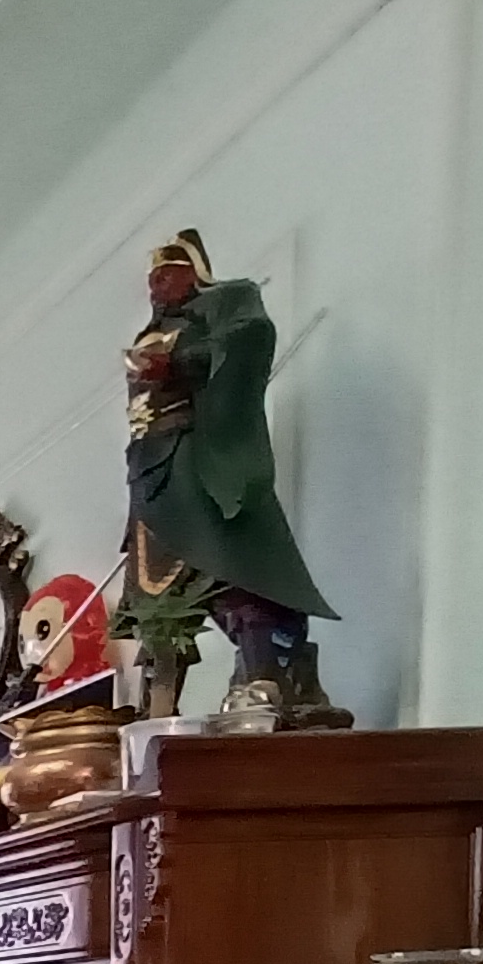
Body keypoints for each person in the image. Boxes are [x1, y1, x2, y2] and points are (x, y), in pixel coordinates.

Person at [118, 229, 349, 727]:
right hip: (150, 470)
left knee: (233, 572)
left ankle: (267, 675)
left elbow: (248, 336)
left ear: (194, 272)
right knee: (156, 601)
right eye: (153, 279)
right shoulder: (151, 331)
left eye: (168, 274)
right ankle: (158, 706)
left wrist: (177, 361)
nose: (157, 286)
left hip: (197, 460)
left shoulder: (226, 303)